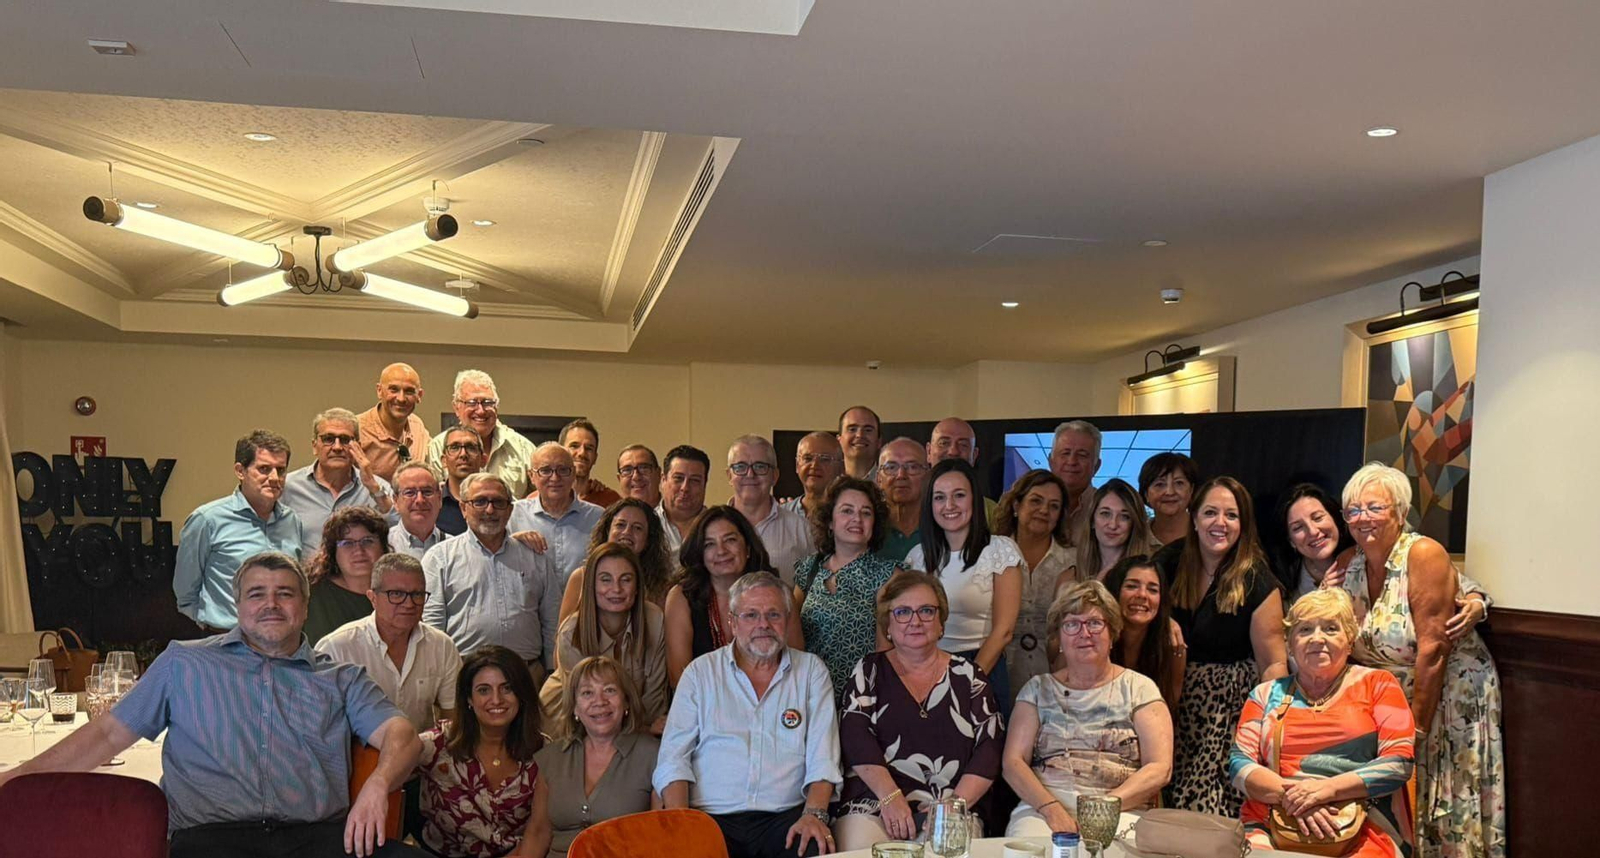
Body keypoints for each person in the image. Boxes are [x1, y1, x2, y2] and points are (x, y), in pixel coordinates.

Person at [0, 551, 424, 858]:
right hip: (213, 842)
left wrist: (377, 783)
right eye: (257, 594)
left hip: (320, 841)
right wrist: (17, 777)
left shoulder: (340, 677)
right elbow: (108, 733)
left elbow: (403, 737)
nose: (271, 604)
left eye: (285, 594)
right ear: (237, 606)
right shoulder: (184, 662)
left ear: (305, 606)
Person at [1330, 463, 1506, 858]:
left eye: (1375, 508)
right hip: (1393, 704)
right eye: (1353, 511)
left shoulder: (1422, 553)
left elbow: (1434, 648)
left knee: (1444, 801)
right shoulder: (1350, 562)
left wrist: (1417, 730)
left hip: (1444, 698)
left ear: (1401, 513)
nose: (1362, 519)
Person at [655, 572, 841, 858]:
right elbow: (673, 758)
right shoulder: (700, 673)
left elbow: (823, 757)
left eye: (773, 615)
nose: (763, 625)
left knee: (813, 844)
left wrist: (814, 815)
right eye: (751, 615)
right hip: (710, 818)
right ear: (732, 622)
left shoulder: (811, 672)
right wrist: (682, 822)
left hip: (785, 818)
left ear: (788, 620)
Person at [1230, 589, 1416, 857]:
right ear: (1289, 644)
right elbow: (1239, 765)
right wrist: (1297, 799)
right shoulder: (1265, 694)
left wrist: (1326, 790)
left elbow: (1398, 762)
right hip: (1273, 820)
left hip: (1365, 823)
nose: (1318, 639)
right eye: (1305, 630)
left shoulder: (1379, 684)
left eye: (1330, 629)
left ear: (1349, 641)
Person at [833, 572, 1002, 849]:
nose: (915, 621)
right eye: (902, 612)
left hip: (954, 804)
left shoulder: (970, 676)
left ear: (940, 622)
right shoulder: (869, 671)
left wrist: (952, 808)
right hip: (875, 802)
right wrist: (890, 798)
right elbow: (855, 738)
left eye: (926, 610)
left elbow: (990, 748)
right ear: (888, 624)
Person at [1157, 476, 1289, 817]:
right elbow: (1130, 605)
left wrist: (1265, 726)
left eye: (1231, 515)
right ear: (1194, 518)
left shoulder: (1257, 577)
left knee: (1214, 808)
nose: (1220, 523)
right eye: (1210, 512)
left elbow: (1273, 663)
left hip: (1228, 709)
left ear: (1243, 524)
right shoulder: (1167, 563)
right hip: (1168, 699)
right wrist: (1162, 621)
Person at [1002, 581, 1173, 837]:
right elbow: (1013, 763)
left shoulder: (1140, 688)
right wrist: (1051, 809)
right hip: (1043, 810)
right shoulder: (1037, 690)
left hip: (1122, 810)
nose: (1084, 633)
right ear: (1059, 638)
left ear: (1112, 632)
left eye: (1094, 623)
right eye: (1072, 624)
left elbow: (1160, 767)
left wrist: (1103, 808)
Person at [1280, 484, 1489, 639]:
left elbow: (1459, 584)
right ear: (1290, 540)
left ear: (1337, 519)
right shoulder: (1286, 585)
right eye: (1298, 528)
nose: (1313, 532)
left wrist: (1475, 601)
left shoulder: (1363, 554)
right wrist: (1322, 598)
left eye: (1318, 518)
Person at [904, 459, 1022, 711]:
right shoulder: (916, 556)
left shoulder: (1000, 550)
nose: (949, 506)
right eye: (939, 497)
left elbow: (1004, 631)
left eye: (959, 495)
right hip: (924, 667)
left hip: (982, 666)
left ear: (974, 500)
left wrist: (966, 680)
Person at [423, 473, 561, 685]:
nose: (489, 510)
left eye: (498, 502)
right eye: (479, 502)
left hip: (527, 676)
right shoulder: (440, 557)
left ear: (510, 510)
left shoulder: (534, 556)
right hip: (464, 676)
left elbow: (552, 618)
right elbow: (432, 625)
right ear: (463, 508)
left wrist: (552, 672)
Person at [417, 645, 551, 858]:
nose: (496, 699)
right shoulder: (436, 744)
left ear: (522, 694)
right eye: (483, 690)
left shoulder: (544, 753)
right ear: (468, 699)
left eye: (507, 688)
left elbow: (539, 832)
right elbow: (390, 762)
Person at [173, 429, 303, 630]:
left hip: (281, 642)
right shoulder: (207, 520)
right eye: (264, 469)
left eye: (281, 469)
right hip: (224, 639)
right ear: (240, 471)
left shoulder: (291, 520)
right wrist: (211, 625)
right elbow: (185, 592)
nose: (275, 478)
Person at [317, 552, 462, 732]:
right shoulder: (336, 649)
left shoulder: (442, 646)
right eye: (396, 594)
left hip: (424, 754)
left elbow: (452, 719)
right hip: (355, 756)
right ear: (372, 598)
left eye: (417, 594)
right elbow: (320, 727)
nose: (409, 604)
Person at [534, 655, 663, 856]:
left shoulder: (653, 755)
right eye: (587, 693)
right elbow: (538, 833)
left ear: (626, 701)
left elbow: (659, 837)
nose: (599, 701)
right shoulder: (550, 758)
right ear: (575, 707)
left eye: (609, 690)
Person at [540, 543, 669, 734]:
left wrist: (646, 734)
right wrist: (644, 730)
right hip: (572, 726)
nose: (616, 589)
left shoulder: (654, 619)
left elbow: (654, 697)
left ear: (637, 587)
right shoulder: (571, 633)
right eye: (605, 580)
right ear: (591, 586)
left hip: (640, 728)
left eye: (625, 579)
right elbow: (588, 708)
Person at [792, 477, 899, 699]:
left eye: (866, 512)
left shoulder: (887, 575)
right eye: (847, 511)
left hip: (862, 697)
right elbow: (791, 634)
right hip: (808, 694)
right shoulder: (808, 568)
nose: (857, 519)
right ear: (830, 521)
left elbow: (886, 651)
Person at [663, 505, 774, 686]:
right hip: (703, 707)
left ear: (747, 547)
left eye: (730, 540)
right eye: (709, 544)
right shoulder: (681, 597)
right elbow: (680, 678)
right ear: (700, 554)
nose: (721, 551)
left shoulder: (775, 593)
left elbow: (792, 666)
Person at [992, 469, 1077, 703]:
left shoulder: (1073, 561)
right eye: (1036, 501)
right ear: (1016, 506)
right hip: (999, 671)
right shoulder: (990, 554)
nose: (1044, 511)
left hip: (1055, 676)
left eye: (1053, 506)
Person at [282, 407, 395, 556]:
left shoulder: (378, 488)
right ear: (315, 446)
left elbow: (399, 531)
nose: (337, 447)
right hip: (306, 578)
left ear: (358, 446)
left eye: (345, 440)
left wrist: (374, 489)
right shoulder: (288, 487)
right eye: (328, 439)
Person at [424, 369, 537, 498]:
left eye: (487, 402)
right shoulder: (438, 447)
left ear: (497, 406)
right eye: (472, 403)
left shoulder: (523, 448)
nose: (481, 411)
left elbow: (541, 497)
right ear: (456, 407)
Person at [560, 497, 677, 622]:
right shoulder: (581, 577)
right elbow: (563, 637)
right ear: (607, 531)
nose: (627, 532)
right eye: (620, 525)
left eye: (637, 528)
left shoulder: (660, 587)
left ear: (649, 539)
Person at [509, 442, 604, 589]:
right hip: (530, 610)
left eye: (563, 470)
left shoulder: (599, 518)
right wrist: (511, 542)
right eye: (545, 470)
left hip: (582, 610)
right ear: (532, 476)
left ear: (573, 474)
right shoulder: (512, 515)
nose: (555, 478)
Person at [728, 434, 814, 585]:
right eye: (740, 467)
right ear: (729, 475)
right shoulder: (711, 530)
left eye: (760, 466)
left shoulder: (802, 530)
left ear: (775, 476)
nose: (750, 474)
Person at [1103, 555, 1184, 708]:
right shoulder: (1095, 639)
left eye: (1152, 590)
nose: (1142, 595)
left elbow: (1169, 706)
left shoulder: (1171, 646)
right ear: (1115, 592)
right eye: (1132, 586)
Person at [304, 506, 390, 647]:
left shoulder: (398, 591)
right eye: (347, 543)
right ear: (333, 552)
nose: (358, 551)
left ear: (383, 547)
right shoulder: (311, 593)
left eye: (367, 541)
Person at [1069, 478, 1157, 582]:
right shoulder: (1069, 578)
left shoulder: (1152, 575)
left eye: (1124, 516)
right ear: (1092, 520)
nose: (1113, 525)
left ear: (1134, 524)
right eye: (1105, 514)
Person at [357, 362, 430, 483]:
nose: (401, 398)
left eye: (409, 391)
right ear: (379, 391)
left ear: (419, 395)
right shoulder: (357, 429)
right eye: (393, 389)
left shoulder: (418, 427)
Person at [926, 416, 999, 521]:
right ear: (929, 451)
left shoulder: (991, 512)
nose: (953, 451)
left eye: (963, 445)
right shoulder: (910, 506)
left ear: (974, 455)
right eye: (944, 443)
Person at [873, 437, 929, 563]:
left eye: (913, 467)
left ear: (927, 476)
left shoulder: (943, 527)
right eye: (891, 467)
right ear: (878, 479)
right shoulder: (866, 529)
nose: (901, 475)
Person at [1048, 420, 1102, 545]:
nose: (1072, 461)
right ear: (1051, 461)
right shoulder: (1028, 505)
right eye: (1065, 453)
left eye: (1082, 455)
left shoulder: (1108, 508)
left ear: (1097, 466)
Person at [658, 444, 710, 554]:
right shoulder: (645, 525)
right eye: (678, 478)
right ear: (663, 480)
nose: (685, 488)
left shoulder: (719, 527)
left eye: (694, 480)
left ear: (705, 484)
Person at [436, 425, 488, 537]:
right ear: (444, 460)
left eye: (471, 447)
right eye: (454, 447)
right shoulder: (433, 503)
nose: (463, 454)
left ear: (483, 460)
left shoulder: (498, 503)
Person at [560, 419, 623, 509]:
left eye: (589, 448)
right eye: (574, 446)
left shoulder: (611, 501)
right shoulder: (541, 498)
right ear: (560, 452)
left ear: (595, 457)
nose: (582, 453)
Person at [1139, 452, 1198, 547]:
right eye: (1160, 484)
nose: (1170, 492)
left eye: (1179, 483)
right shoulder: (1136, 538)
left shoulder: (1205, 534)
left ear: (1191, 490)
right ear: (1146, 494)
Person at [389, 461, 445, 559]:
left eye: (427, 492)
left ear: (439, 498)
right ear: (396, 501)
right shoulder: (383, 545)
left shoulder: (456, 549)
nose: (420, 500)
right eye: (410, 492)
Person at [783, 431, 844, 518]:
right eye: (808, 458)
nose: (814, 465)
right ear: (797, 465)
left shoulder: (849, 516)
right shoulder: (781, 516)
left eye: (824, 459)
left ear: (841, 468)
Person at [838, 405, 882, 480]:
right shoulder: (827, 485)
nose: (860, 435)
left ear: (879, 442)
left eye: (868, 430)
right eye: (852, 429)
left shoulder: (890, 485)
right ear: (839, 440)